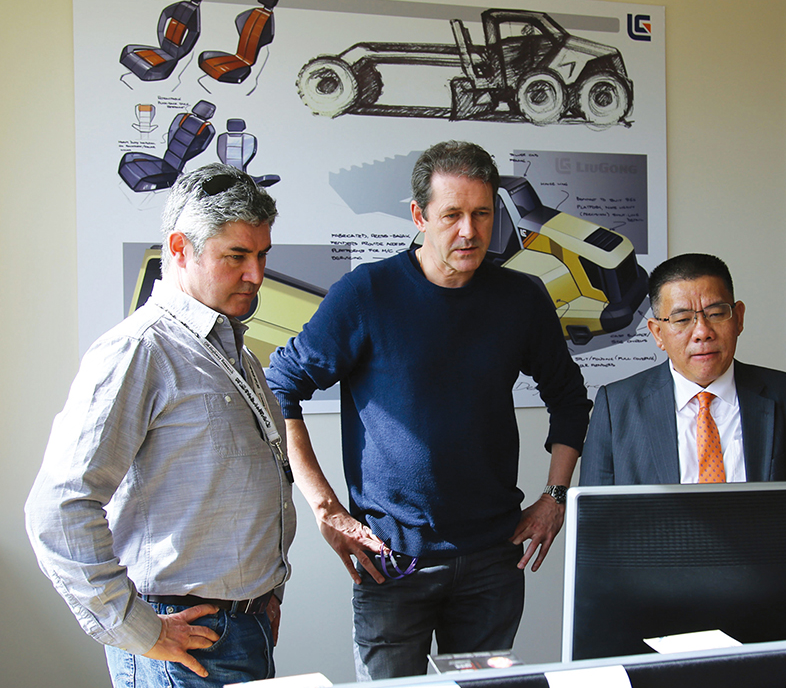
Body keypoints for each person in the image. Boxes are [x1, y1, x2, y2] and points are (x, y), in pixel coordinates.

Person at [265, 140, 591, 680]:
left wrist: (554, 496)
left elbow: (569, 397)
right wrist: (326, 509)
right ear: (419, 217)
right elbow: (280, 387)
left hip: (492, 560)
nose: (469, 231)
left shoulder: (521, 298)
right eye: (452, 215)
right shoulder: (367, 293)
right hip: (392, 562)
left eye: (482, 214)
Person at [24, 163, 296, 688]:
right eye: (236, 256)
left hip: (244, 626)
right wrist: (139, 630)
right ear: (179, 248)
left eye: (262, 255)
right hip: (181, 644)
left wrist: (265, 597)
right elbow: (58, 508)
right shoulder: (139, 350)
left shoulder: (234, 354)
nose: (256, 275)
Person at [580, 252, 786, 485]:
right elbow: (592, 513)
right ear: (658, 333)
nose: (702, 332)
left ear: (739, 318)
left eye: (716, 314)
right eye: (682, 319)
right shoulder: (617, 406)